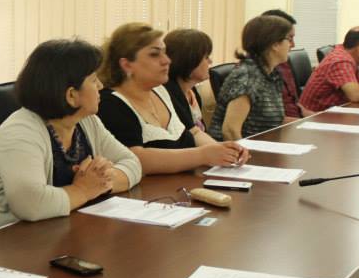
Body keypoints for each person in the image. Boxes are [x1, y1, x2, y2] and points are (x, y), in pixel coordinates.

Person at [0, 39, 142, 233]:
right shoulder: (20, 132)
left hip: (57, 231)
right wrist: (83, 190)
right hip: (3, 240)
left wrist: (101, 181)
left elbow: (132, 163)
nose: (101, 86)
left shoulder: (87, 122)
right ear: (71, 95)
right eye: (94, 80)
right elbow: (30, 204)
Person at [96, 24, 248, 175]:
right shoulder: (109, 103)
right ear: (127, 65)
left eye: (165, 53)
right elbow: (134, 158)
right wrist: (203, 155)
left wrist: (224, 151)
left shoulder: (162, 90)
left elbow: (194, 132)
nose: (167, 60)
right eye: (154, 54)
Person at [208, 15, 291, 141]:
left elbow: (275, 121)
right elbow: (230, 131)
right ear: (275, 44)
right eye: (288, 39)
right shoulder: (247, 76)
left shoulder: (272, 74)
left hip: (264, 146)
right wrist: (246, 153)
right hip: (239, 150)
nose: (292, 45)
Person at [261, 9, 310, 120]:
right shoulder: (256, 73)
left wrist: (317, 119)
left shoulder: (283, 64)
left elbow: (294, 104)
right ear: (274, 41)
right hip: (283, 128)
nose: (293, 45)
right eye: (289, 38)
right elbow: (272, 120)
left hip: (295, 123)